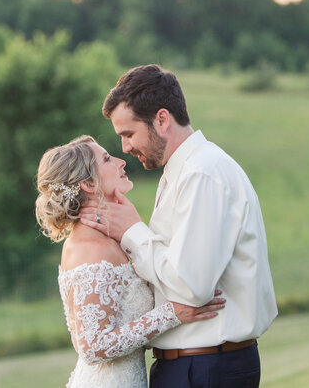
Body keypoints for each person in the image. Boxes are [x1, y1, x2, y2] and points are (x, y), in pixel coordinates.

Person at [80, 64, 278, 388]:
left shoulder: (201, 174)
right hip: (194, 364)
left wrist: (133, 232)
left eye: (128, 134)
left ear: (161, 119)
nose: (125, 148)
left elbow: (192, 286)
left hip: (206, 367)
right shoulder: (181, 173)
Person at [35, 135, 226, 388]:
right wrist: (173, 314)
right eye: (106, 159)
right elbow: (92, 347)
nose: (120, 162)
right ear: (89, 185)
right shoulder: (88, 250)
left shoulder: (110, 241)